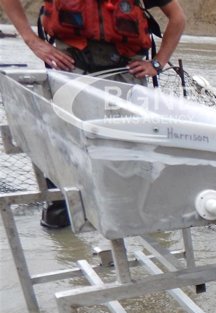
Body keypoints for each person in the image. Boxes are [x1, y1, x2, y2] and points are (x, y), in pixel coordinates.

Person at [0, 0, 186, 227]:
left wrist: (158, 63)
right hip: (69, 70)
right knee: (63, 145)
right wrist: (33, 41)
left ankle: (134, 219)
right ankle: (62, 225)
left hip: (124, 75)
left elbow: (177, 18)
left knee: (131, 151)